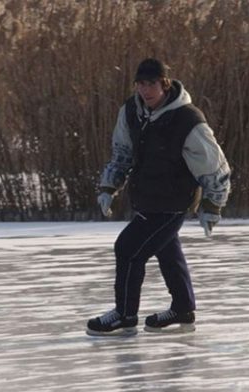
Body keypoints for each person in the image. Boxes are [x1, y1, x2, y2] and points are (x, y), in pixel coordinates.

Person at [86, 58, 231, 336]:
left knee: (127, 249)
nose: (146, 90)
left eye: (152, 83)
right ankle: (183, 309)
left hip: (174, 201)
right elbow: (122, 153)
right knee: (167, 251)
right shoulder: (131, 111)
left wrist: (213, 204)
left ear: (164, 84)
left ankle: (125, 315)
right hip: (146, 196)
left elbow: (214, 165)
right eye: (141, 84)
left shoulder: (187, 118)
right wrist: (108, 186)